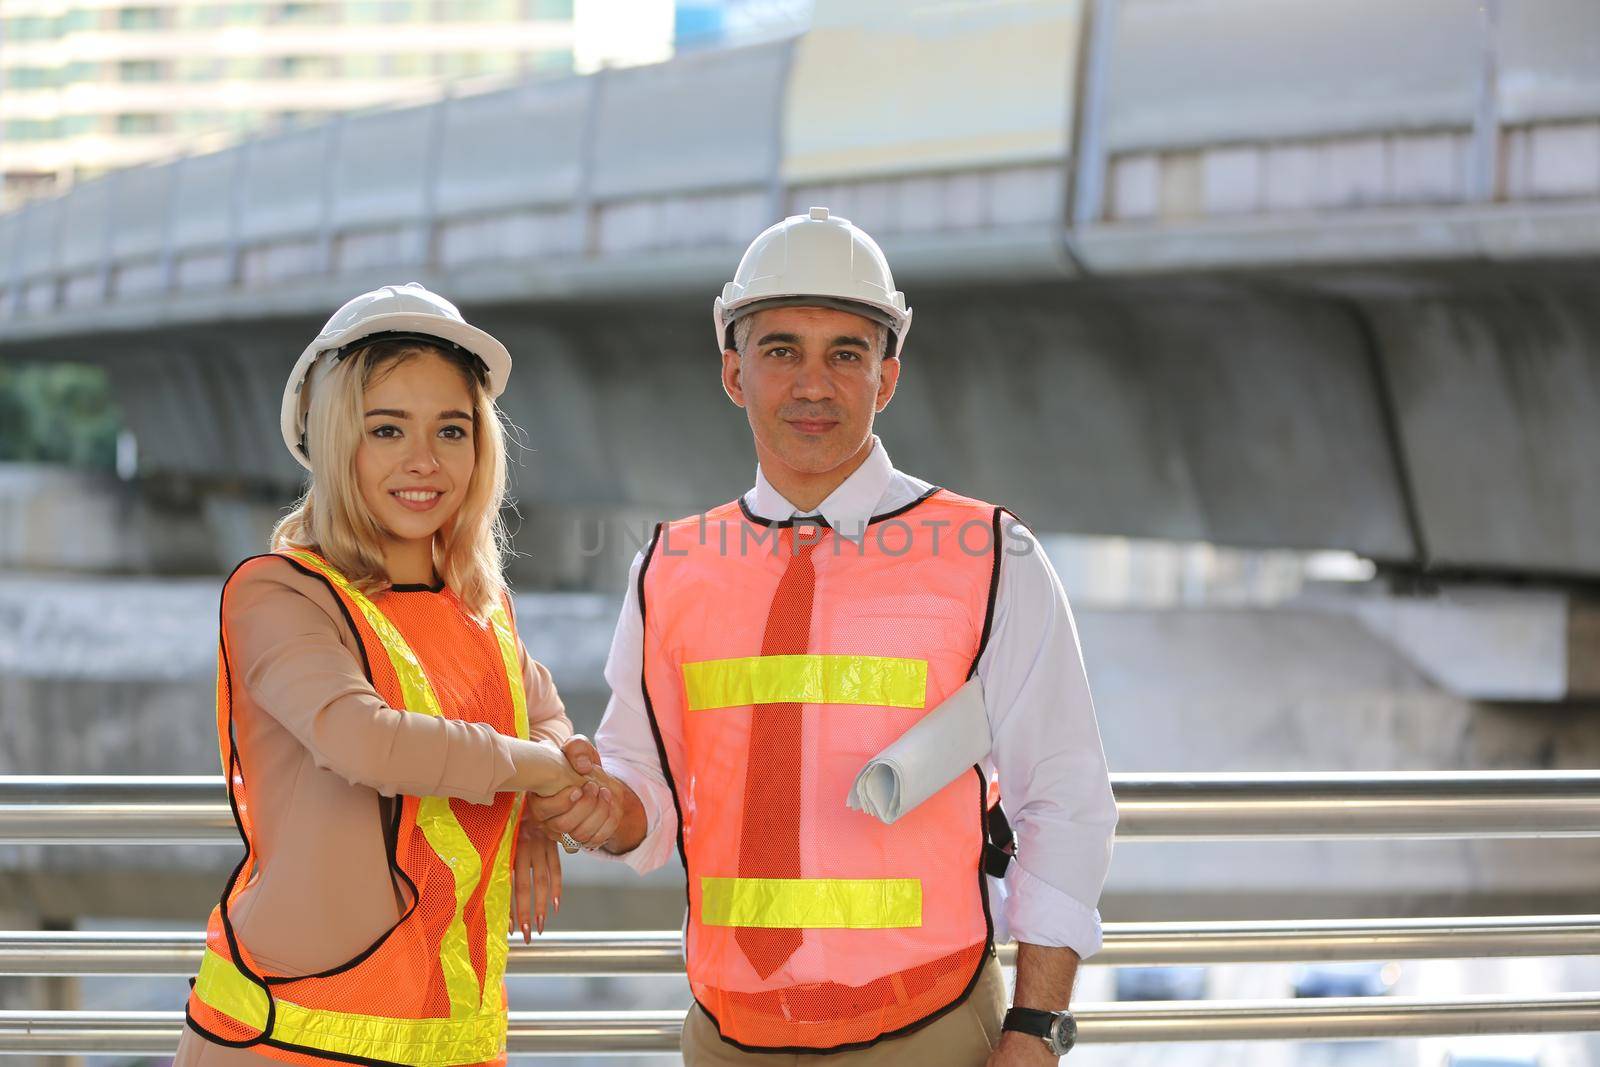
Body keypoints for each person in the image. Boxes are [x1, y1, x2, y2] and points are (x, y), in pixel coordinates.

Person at [530, 209, 1118, 1064]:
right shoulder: (670, 565)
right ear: (734, 374)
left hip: (933, 1034)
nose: (814, 384)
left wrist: (1035, 1031)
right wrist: (599, 804)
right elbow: (647, 801)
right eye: (781, 351)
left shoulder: (991, 553)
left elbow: (1064, 794)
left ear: (887, 377)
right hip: (728, 1039)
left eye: (846, 352)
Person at [176, 282, 589, 1067]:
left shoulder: (482, 602)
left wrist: (536, 807)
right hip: (288, 1039)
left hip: (450, 1042)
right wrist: (535, 771)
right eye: (387, 429)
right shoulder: (280, 592)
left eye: (452, 430)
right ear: (334, 441)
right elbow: (365, 740)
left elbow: (545, 715)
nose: (424, 461)